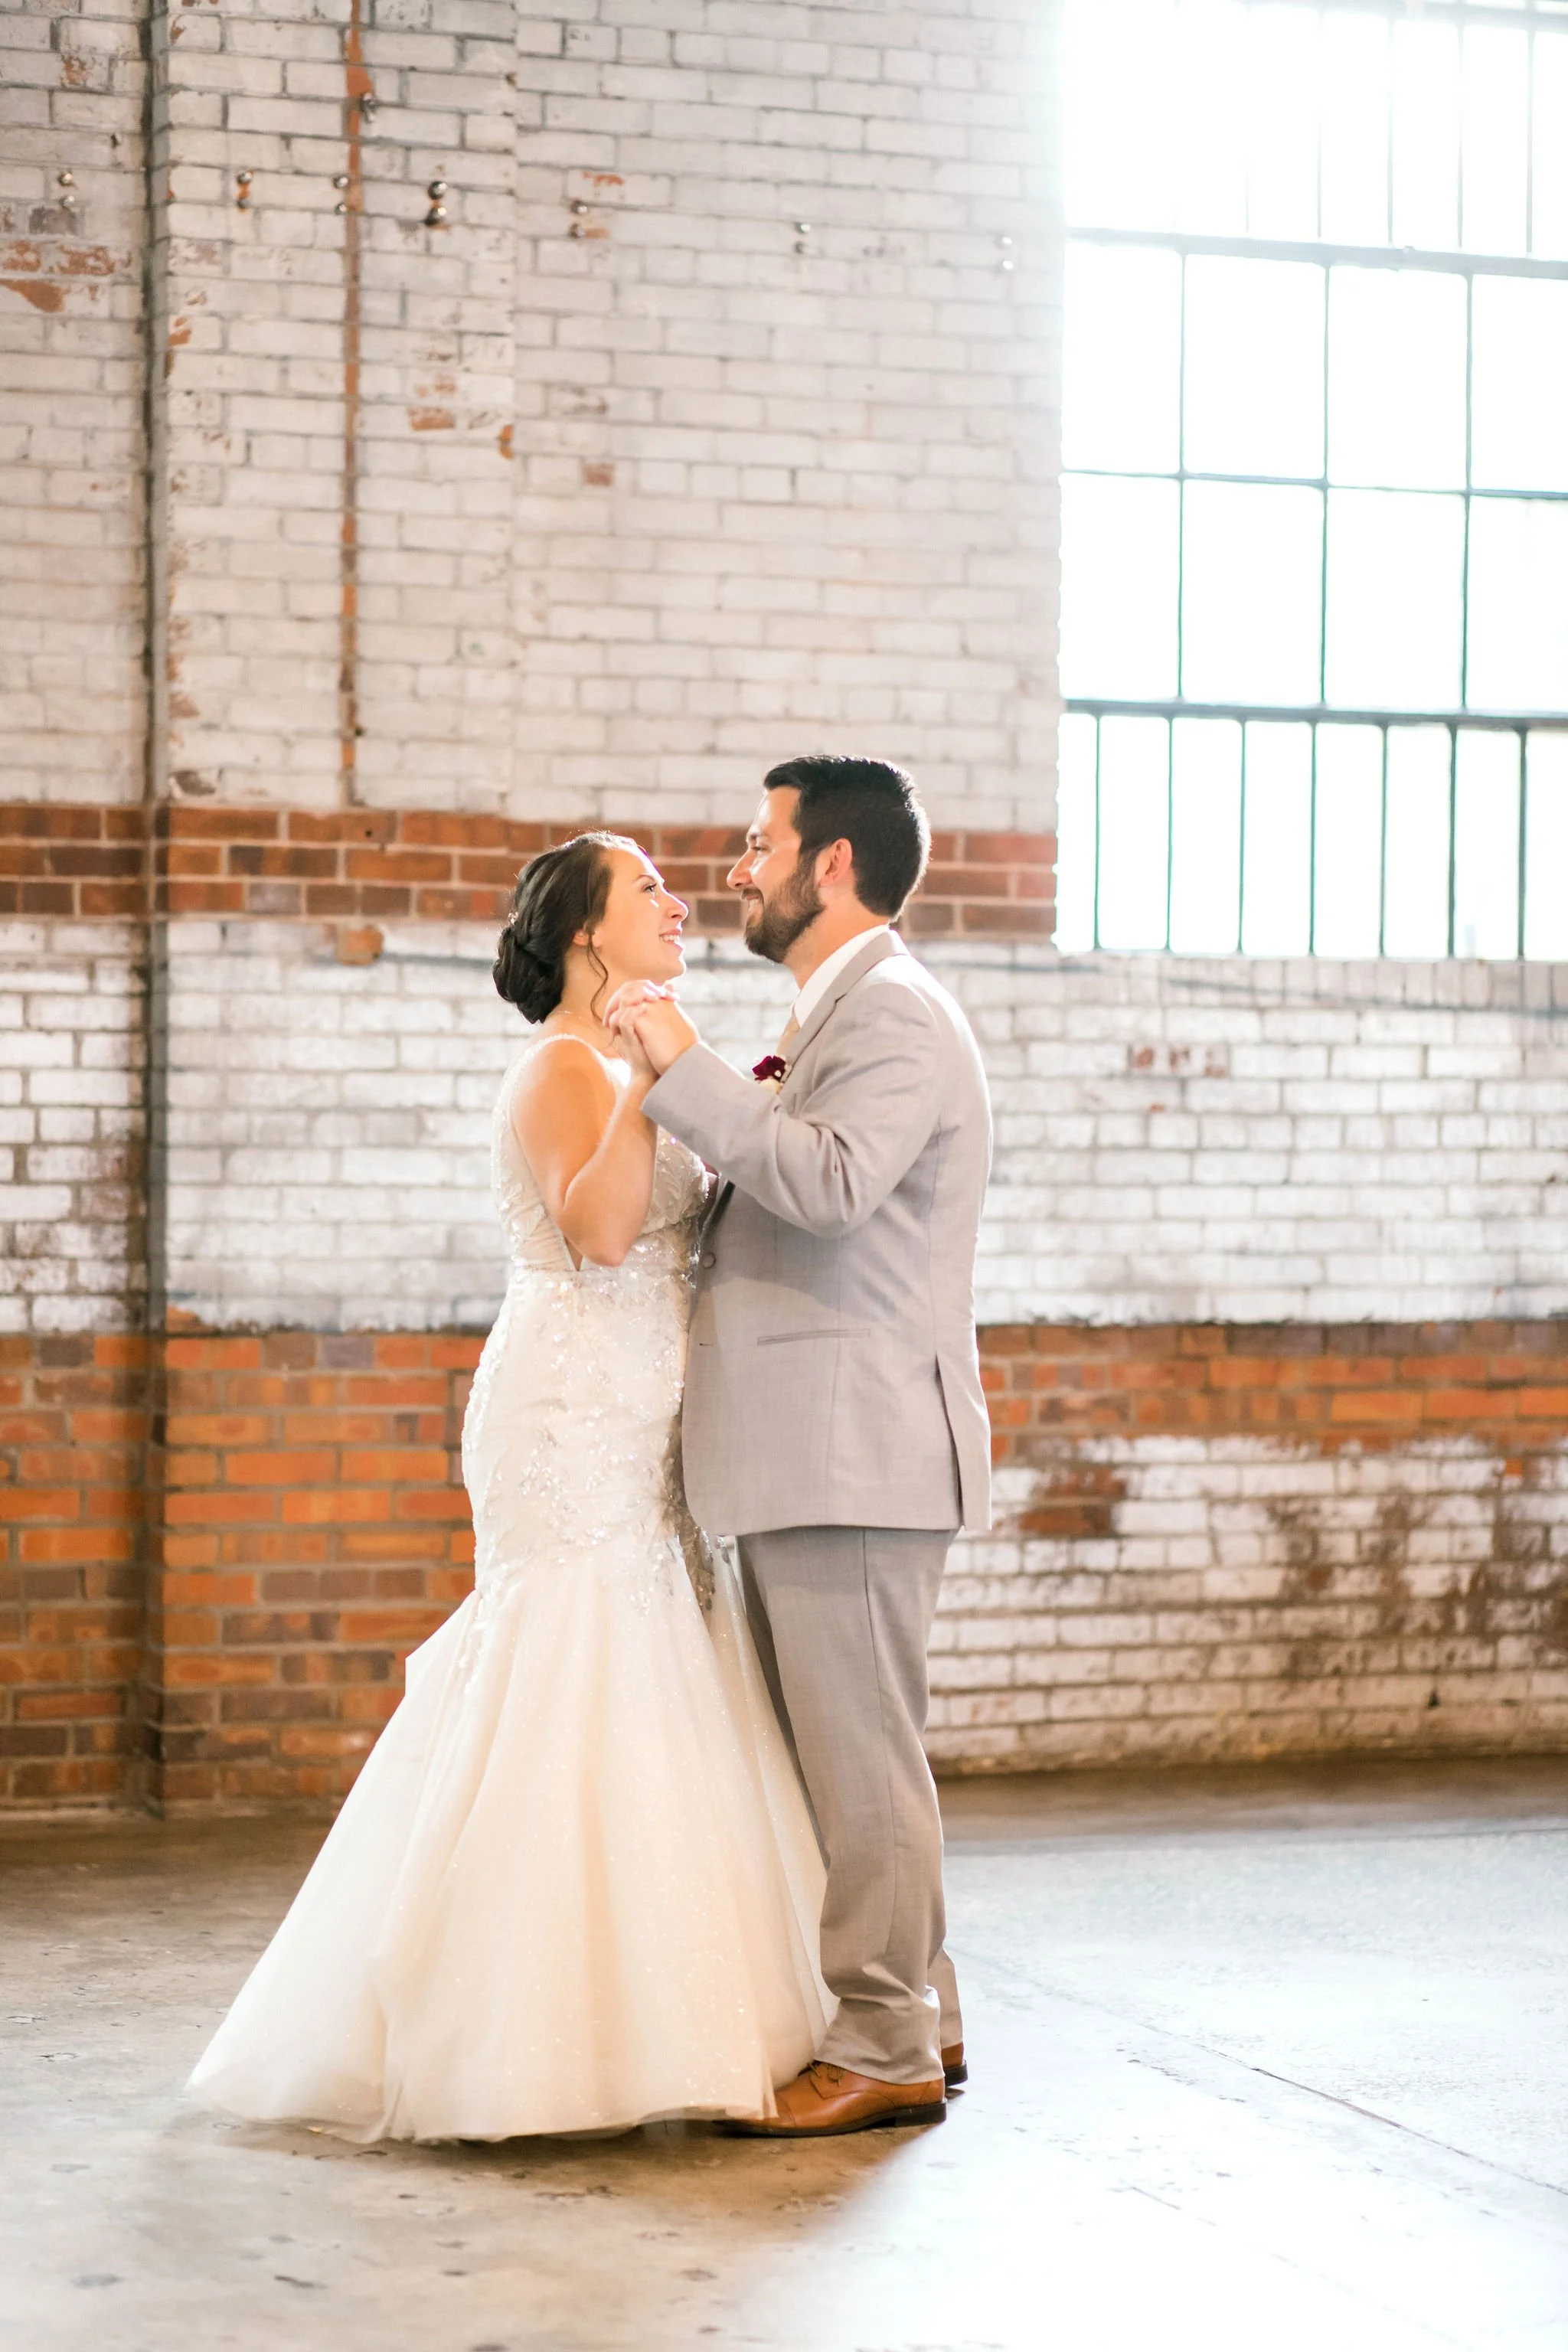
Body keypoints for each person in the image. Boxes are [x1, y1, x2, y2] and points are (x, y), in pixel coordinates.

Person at [187, 833, 830, 2141]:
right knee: (572, 1658)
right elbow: (598, 1233)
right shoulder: (558, 1066)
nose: (677, 902)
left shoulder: (626, 1058)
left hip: (645, 1412)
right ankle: (523, 2040)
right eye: (647, 889)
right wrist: (662, 1079)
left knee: (654, 1659)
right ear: (590, 936)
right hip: (565, 1411)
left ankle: (667, 2021)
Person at [606, 754, 992, 2138]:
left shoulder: (892, 1015)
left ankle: (883, 2041)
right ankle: (919, 2010)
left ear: (830, 864)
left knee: (860, 1758)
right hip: (817, 1448)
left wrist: (682, 1071)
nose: (735, 868)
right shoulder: (839, 1010)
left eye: (758, 843)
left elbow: (826, 1186)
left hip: (859, 1448)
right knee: (855, 1754)